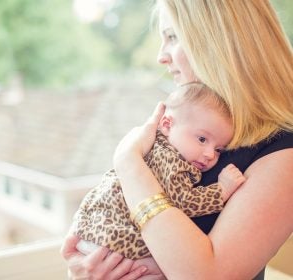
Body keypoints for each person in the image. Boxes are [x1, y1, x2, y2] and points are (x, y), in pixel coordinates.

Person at [61, 0, 293, 279]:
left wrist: (128, 161)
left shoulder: (282, 152)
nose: (161, 56)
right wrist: (89, 267)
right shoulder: (182, 125)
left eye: (172, 37)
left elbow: (206, 275)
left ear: (219, 40)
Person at [72, 83, 245, 260]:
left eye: (218, 149)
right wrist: (221, 191)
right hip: (115, 237)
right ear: (167, 125)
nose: (210, 154)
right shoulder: (171, 160)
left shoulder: (154, 145)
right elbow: (183, 202)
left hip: (95, 230)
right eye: (202, 139)